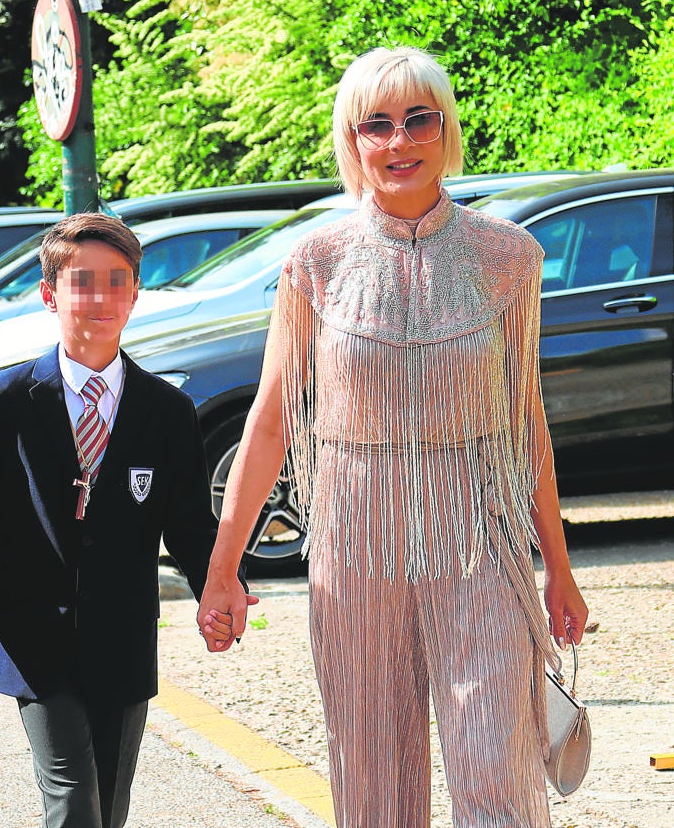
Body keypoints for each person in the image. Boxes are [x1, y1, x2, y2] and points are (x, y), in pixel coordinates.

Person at [197, 46, 589, 827]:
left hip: (480, 534)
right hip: (353, 538)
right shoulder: (316, 261)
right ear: (351, 141)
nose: (398, 140)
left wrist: (560, 568)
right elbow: (271, 417)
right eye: (375, 124)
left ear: (447, 131)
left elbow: (525, 420)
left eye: (419, 119)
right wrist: (221, 568)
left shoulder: (509, 257)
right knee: (372, 771)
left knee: (496, 767)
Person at [0, 213, 250, 828]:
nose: (100, 298)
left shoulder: (165, 409)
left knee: (109, 804)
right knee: (72, 798)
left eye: (117, 282)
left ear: (136, 294)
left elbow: (192, 524)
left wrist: (217, 590)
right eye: (82, 282)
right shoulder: (9, 398)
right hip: (35, 636)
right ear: (49, 294)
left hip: (122, 638)